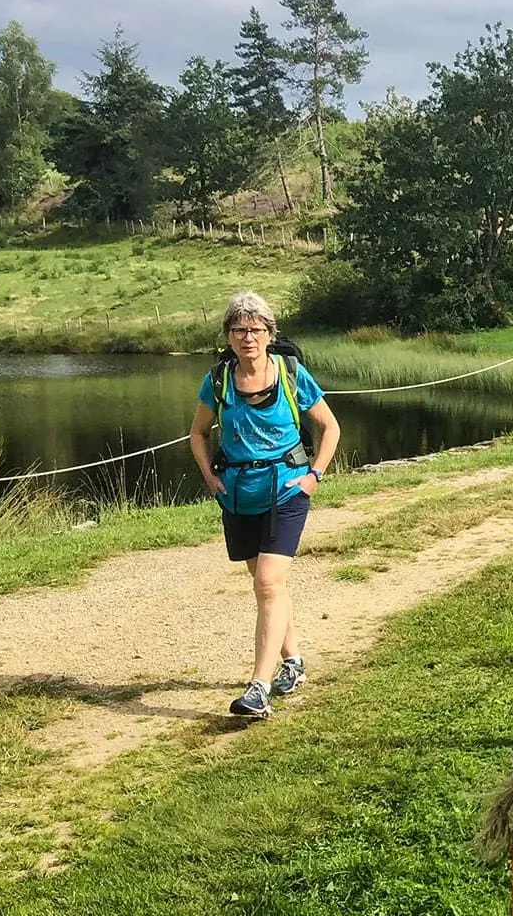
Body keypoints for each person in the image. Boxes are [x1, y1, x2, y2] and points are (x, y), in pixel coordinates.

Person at [189, 291, 341, 721]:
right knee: (265, 583)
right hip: (238, 492)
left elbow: (330, 427)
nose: (248, 337)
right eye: (239, 330)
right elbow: (198, 432)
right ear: (229, 337)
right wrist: (209, 475)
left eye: (256, 329)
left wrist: (314, 477)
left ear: (270, 335)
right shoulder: (217, 381)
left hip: (287, 489)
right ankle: (293, 660)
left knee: (268, 584)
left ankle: (259, 688)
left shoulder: (291, 373)